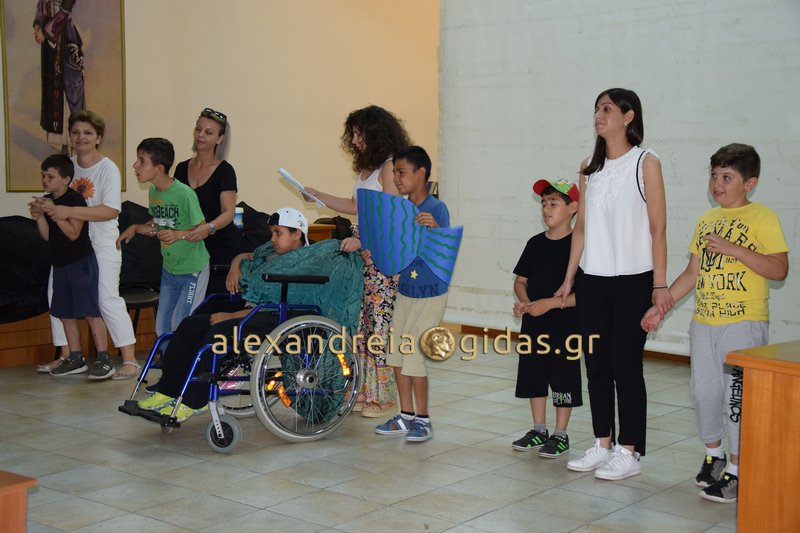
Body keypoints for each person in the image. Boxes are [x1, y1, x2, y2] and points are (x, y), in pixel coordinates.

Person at [641, 143, 788, 503]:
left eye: (727, 177)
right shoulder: (706, 220)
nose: (717, 184)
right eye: (714, 175)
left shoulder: (763, 217)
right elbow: (693, 273)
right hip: (704, 322)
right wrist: (662, 304)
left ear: (749, 183)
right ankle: (714, 455)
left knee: (737, 398)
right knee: (703, 392)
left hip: (743, 324)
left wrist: (734, 249)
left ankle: (737, 471)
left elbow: (779, 269)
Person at [137, 208, 364, 421]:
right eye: (272, 233)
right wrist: (235, 266)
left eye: (278, 233)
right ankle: (167, 391)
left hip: (281, 316)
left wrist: (230, 316)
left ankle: (195, 400)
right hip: (256, 312)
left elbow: (271, 302)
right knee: (189, 325)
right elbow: (247, 255)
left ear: (297, 233)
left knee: (217, 334)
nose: (273, 239)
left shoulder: (310, 260)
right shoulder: (270, 254)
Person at [555, 88, 672, 480]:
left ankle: (630, 450)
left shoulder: (646, 162)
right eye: (596, 110)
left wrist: (659, 284)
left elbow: (658, 228)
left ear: (628, 116)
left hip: (634, 281)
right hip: (593, 282)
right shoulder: (589, 167)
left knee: (626, 367)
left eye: (606, 109)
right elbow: (581, 229)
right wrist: (569, 277)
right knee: (597, 366)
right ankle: (602, 444)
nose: (598, 116)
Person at [305, 105, 411, 418]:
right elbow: (355, 205)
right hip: (365, 253)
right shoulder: (367, 169)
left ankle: (385, 397)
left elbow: (393, 216)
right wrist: (319, 196)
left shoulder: (390, 167)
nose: (353, 140)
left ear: (375, 134)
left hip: (385, 254)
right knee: (362, 323)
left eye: (358, 134)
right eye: (352, 134)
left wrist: (364, 241)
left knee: (379, 325)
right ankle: (365, 390)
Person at [35, 110, 139, 380]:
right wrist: (44, 209)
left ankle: (129, 359)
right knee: (55, 296)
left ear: (98, 138)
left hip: (102, 243)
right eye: (76, 132)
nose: (81, 137)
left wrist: (68, 211)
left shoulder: (107, 168)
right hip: (68, 247)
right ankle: (69, 356)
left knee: (105, 298)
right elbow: (54, 203)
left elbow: (110, 210)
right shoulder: (66, 167)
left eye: (88, 133)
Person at [374, 146, 450, 443]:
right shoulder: (402, 210)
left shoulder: (436, 208)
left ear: (421, 173)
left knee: (414, 354)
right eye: (395, 173)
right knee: (396, 352)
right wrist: (376, 252)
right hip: (406, 290)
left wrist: (436, 229)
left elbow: (444, 251)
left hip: (430, 292)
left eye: (402, 172)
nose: (396, 178)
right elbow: (397, 251)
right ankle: (405, 415)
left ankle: (423, 419)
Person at [511, 178, 582, 458]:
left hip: (565, 326)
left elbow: (585, 294)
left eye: (554, 203)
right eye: (543, 203)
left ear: (572, 208)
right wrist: (526, 304)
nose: (546, 209)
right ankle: (539, 429)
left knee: (563, 376)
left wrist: (549, 305)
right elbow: (520, 282)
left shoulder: (580, 246)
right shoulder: (535, 243)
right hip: (534, 324)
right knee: (534, 374)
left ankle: (560, 433)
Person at [117, 138, 210, 338]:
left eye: (142, 161)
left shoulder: (184, 194)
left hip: (192, 270)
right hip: (169, 270)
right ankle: (168, 358)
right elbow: (159, 223)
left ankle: (186, 359)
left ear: (159, 168)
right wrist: (136, 228)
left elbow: (202, 228)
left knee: (181, 325)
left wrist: (178, 235)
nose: (135, 165)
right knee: (162, 328)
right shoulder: (154, 191)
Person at [29, 154, 112, 379]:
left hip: (80, 263)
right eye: (43, 176)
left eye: (51, 176)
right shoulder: (49, 200)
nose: (45, 180)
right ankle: (75, 357)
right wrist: (39, 216)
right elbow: (47, 236)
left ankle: (103, 358)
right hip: (60, 265)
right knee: (64, 313)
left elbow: (74, 233)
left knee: (90, 311)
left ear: (66, 179)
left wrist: (55, 212)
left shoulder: (75, 200)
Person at [174, 108, 241, 294]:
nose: (201, 135)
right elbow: (176, 208)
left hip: (218, 248)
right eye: (198, 129)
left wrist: (208, 228)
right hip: (189, 247)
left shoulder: (225, 171)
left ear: (220, 139)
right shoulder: (181, 168)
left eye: (208, 132)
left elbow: (228, 212)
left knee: (208, 304)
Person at [33, 0, 85, 148]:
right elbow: (41, 5)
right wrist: (37, 25)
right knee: (52, 86)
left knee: (69, 86)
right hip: (48, 40)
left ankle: (72, 143)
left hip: (63, 34)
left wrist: (45, 32)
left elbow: (66, 9)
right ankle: (61, 143)